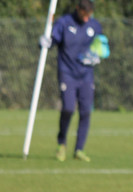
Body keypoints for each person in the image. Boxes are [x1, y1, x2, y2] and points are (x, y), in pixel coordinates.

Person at [40, 0, 102, 162]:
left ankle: (79, 150)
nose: (87, 18)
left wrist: (98, 55)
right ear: (78, 9)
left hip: (86, 74)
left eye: (89, 15)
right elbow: (53, 40)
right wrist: (46, 42)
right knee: (68, 108)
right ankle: (61, 144)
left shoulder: (94, 25)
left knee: (86, 111)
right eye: (84, 14)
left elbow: (100, 46)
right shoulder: (64, 23)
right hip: (67, 72)